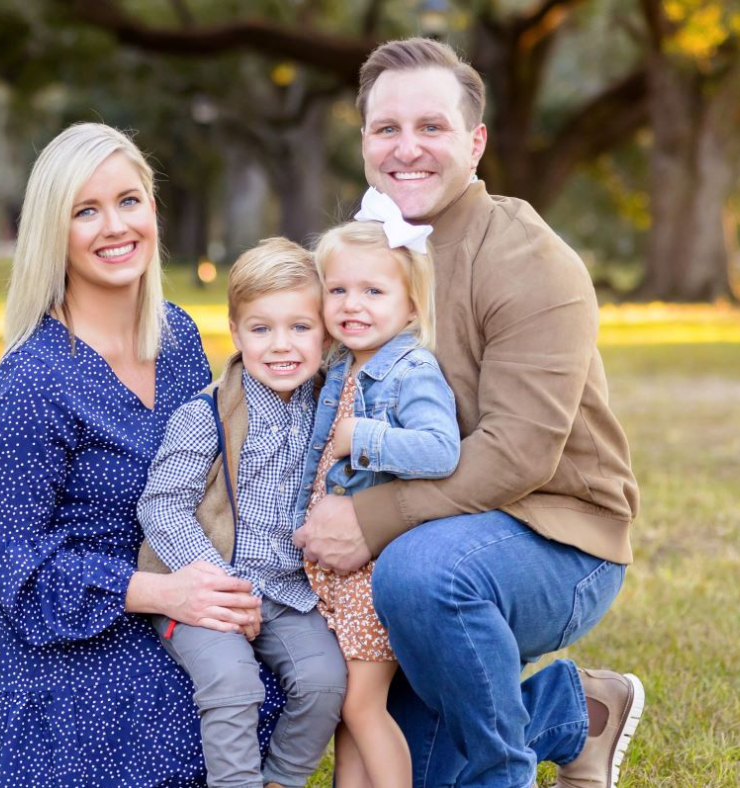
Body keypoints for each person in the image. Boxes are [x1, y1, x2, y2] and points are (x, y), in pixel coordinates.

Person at [293, 38, 644, 788]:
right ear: (363, 142)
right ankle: (572, 711)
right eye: (386, 129)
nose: (406, 148)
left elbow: (519, 454)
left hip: (553, 532)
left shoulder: (529, 261)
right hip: (432, 527)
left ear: (476, 141)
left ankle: (500, 771)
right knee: (412, 764)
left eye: (432, 127)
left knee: (422, 576)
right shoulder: (361, 260)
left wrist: (373, 521)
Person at [0, 122, 284, 788]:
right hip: (56, 627)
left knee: (291, 661)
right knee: (168, 715)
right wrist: (164, 592)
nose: (115, 226)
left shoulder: (177, 337)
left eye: (129, 201)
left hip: (172, 581)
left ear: (152, 209)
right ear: (52, 234)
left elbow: (214, 482)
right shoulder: (35, 381)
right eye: (85, 211)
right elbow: (9, 559)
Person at [137, 238, 347, 788]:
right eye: (261, 329)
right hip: (204, 585)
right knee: (234, 682)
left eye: (300, 327)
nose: (282, 346)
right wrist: (221, 587)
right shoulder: (206, 412)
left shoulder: (329, 406)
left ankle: (280, 779)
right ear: (235, 332)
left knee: (325, 681)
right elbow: (162, 505)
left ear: (325, 332)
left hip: (286, 592)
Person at [293, 211, 460, 788]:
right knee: (349, 710)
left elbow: (442, 451)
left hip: (373, 572)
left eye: (372, 290)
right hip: (338, 573)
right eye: (337, 290)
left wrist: (361, 439)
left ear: (411, 306)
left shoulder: (411, 369)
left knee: (363, 706)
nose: (351, 304)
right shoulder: (342, 367)